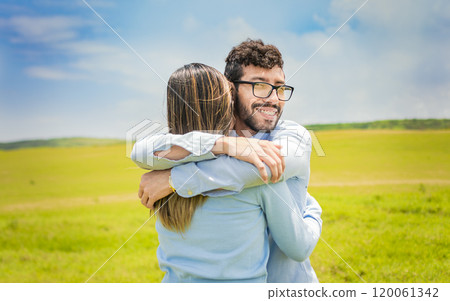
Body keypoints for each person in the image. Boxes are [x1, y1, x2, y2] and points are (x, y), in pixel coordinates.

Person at [132, 39, 322, 282]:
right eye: (260, 86)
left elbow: (255, 169)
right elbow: (141, 151)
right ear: (231, 90)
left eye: (280, 87)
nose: (274, 99)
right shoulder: (207, 143)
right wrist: (225, 144)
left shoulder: (292, 137)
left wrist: (172, 179)